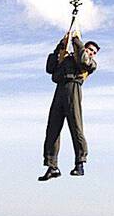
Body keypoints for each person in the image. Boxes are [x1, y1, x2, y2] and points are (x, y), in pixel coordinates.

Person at [38, 26, 100, 181]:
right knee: (52, 128)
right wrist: (61, 44)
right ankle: (52, 166)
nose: (92, 53)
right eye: (90, 49)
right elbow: (50, 68)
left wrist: (76, 40)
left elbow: (83, 60)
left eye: (94, 52)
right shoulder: (65, 57)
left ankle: (80, 163)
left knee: (76, 127)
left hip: (73, 88)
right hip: (60, 89)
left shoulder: (90, 63)